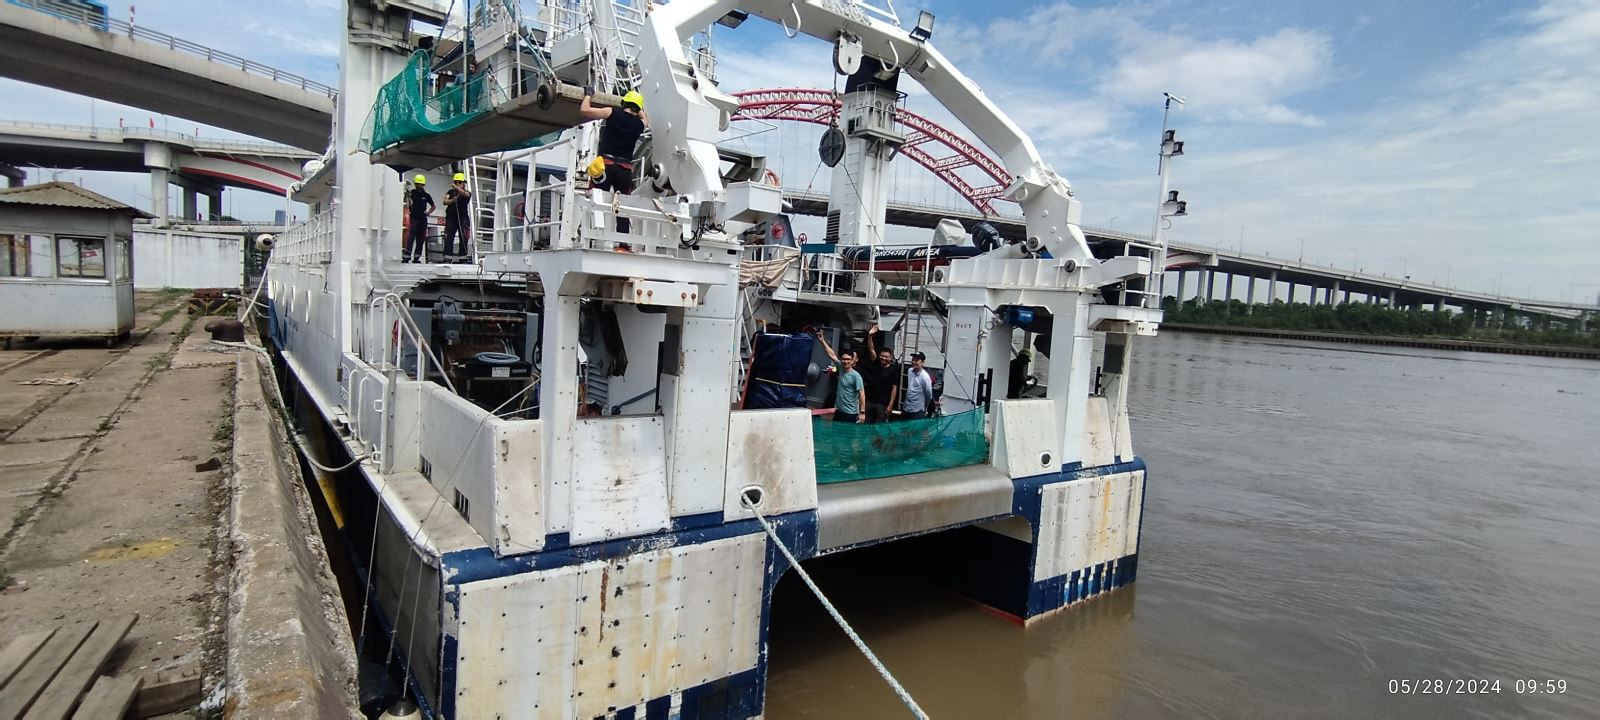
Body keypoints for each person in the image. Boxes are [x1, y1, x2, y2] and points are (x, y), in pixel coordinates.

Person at [579, 88, 649, 232]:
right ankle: (622, 242)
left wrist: (588, 94)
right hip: (625, 171)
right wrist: (640, 109)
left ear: (624, 103)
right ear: (638, 109)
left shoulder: (611, 112)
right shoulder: (639, 125)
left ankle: (591, 235)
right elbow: (645, 120)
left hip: (605, 166)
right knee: (622, 206)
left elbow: (584, 110)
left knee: (596, 200)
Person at [813, 329, 865, 423]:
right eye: (844, 359)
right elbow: (831, 354)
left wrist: (862, 412)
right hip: (839, 411)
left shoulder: (856, 376)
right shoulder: (840, 367)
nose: (846, 361)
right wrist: (823, 341)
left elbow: (862, 395)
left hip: (850, 413)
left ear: (852, 360)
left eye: (848, 359)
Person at [859, 322, 900, 423]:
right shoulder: (876, 364)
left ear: (890, 358)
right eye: (882, 356)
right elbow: (871, 349)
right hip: (870, 401)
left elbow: (894, 389)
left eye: (886, 357)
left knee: (880, 426)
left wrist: (890, 405)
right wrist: (870, 336)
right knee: (867, 423)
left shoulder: (893, 371)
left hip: (883, 403)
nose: (883, 358)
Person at [405, 174, 435, 263]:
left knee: (420, 239)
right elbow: (407, 201)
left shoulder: (426, 195)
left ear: (423, 184)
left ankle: (416, 258)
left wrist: (428, 212)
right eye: (416, 184)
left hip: (422, 219)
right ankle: (406, 257)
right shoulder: (412, 193)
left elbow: (433, 206)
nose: (418, 185)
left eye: (419, 184)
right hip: (413, 218)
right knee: (410, 238)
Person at [442, 172, 472, 261]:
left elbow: (465, 195)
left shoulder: (467, 192)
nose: (463, 184)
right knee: (449, 237)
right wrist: (452, 200)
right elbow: (445, 201)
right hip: (451, 217)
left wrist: (456, 187)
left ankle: (462, 257)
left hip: (463, 217)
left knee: (464, 237)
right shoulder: (450, 192)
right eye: (462, 183)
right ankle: (447, 257)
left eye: (461, 183)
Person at [901, 351, 936, 420]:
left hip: (917, 410)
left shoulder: (925, 377)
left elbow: (928, 394)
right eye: (913, 360)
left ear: (922, 362)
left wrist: (925, 406)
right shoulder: (910, 371)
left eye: (916, 360)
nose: (913, 362)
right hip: (906, 408)